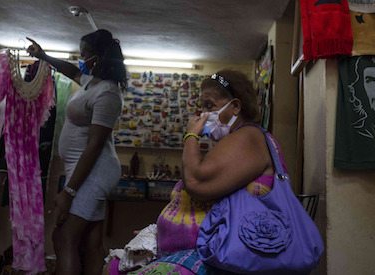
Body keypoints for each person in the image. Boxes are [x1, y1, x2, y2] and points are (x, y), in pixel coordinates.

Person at [107, 70, 289, 275]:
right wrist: (161, 232)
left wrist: (191, 135)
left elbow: (195, 182)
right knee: (114, 266)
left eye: (210, 106)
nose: (202, 115)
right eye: (201, 107)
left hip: (222, 257)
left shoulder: (248, 137)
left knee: (114, 270)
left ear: (236, 106)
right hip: (196, 250)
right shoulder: (236, 142)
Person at [26, 29, 127, 275]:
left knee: (63, 237)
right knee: (91, 243)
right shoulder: (93, 83)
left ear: (99, 58)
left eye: (85, 55)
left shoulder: (108, 94)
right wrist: (44, 56)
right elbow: (71, 71)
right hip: (86, 170)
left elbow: (94, 146)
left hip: (96, 171)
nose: (81, 60)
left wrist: (68, 191)